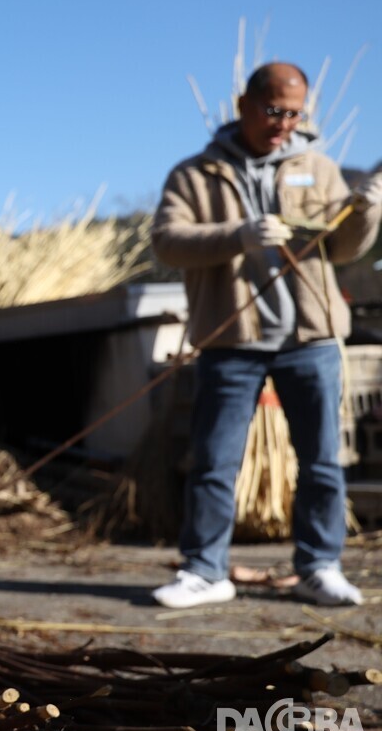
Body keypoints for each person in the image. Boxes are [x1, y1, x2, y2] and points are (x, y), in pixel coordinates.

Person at [150, 62, 381, 609]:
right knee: (213, 460)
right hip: (232, 341)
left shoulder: (318, 167)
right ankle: (205, 570)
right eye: (273, 110)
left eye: (295, 113)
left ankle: (319, 566)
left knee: (322, 459)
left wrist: (367, 213)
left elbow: (343, 248)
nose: (283, 123)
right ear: (243, 105)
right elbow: (167, 241)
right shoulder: (196, 174)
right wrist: (238, 235)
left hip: (312, 337)